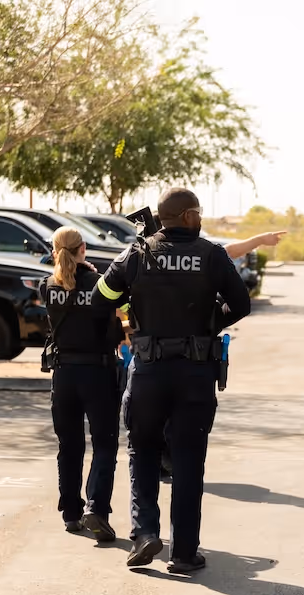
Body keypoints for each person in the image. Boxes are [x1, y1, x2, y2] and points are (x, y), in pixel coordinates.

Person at [93, 187, 251, 573]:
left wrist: (133, 315)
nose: (201, 218)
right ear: (187, 217)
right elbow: (241, 304)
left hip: (148, 370)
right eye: (198, 212)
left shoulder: (139, 252)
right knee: (188, 462)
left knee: (143, 452)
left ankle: (145, 533)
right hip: (195, 374)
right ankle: (183, 553)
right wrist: (210, 322)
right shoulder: (211, 254)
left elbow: (102, 297)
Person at [156, 230, 288, 481]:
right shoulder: (197, 254)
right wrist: (218, 320)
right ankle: (171, 461)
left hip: (156, 354)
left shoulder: (147, 257)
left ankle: (164, 462)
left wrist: (259, 240)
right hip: (192, 353)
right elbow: (227, 256)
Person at [40, 226, 124, 543]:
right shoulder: (99, 285)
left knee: (69, 446)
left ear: (54, 250)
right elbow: (118, 312)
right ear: (83, 249)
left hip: (63, 376)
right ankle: (97, 509)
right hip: (97, 373)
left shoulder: (47, 286)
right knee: (104, 443)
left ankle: (71, 514)